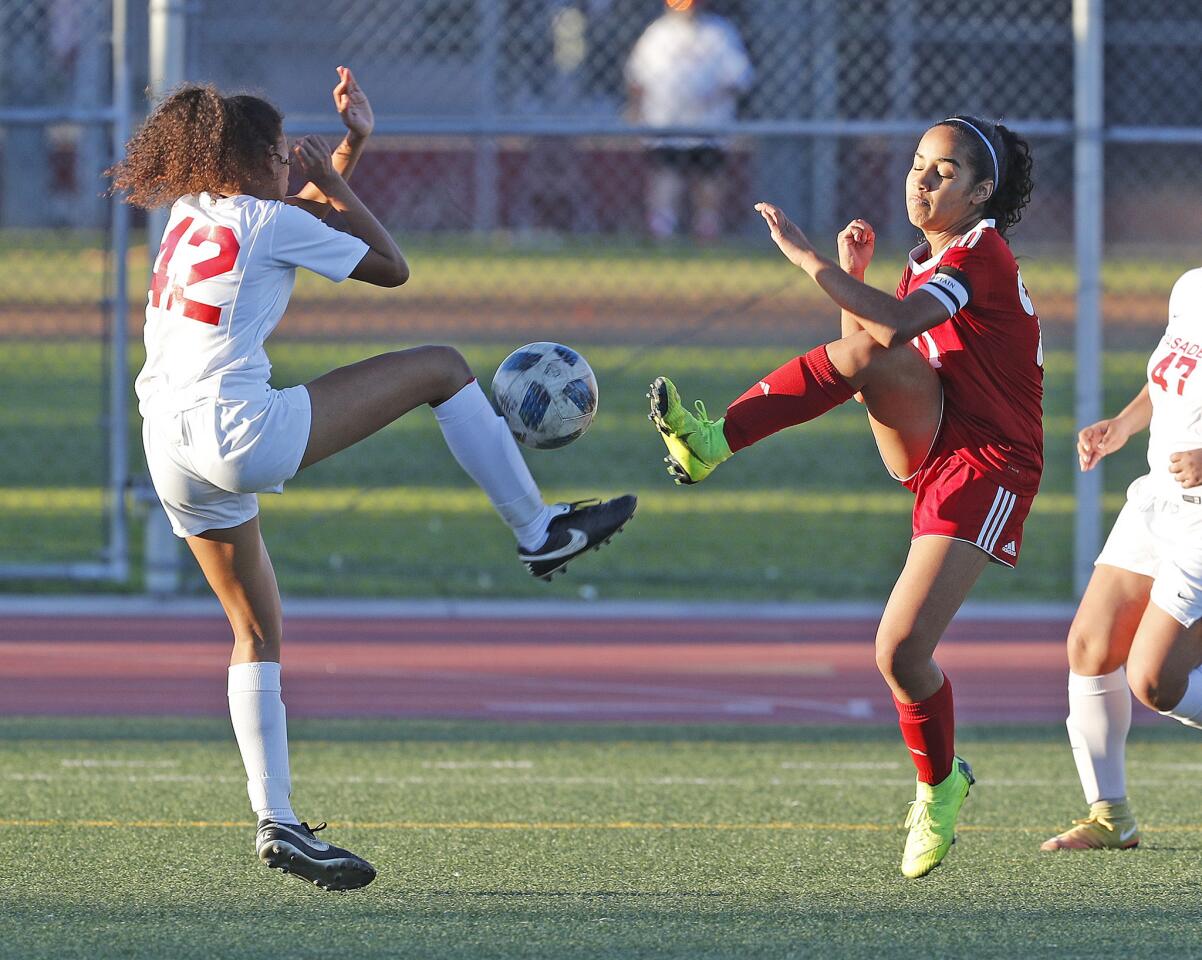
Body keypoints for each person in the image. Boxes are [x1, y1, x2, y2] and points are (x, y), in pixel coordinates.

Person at [107, 67, 636, 891]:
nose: (292, 164)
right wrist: (330, 172)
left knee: (256, 632)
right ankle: (539, 530)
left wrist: (351, 149)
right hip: (238, 431)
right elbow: (390, 266)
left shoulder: (195, 209)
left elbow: (294, 219)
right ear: (249, 163)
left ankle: (278, 821)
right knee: (441, 367)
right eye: (280, 156)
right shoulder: (268, 213)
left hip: (166, 442)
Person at [648, 116, 1039, 878]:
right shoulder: (929, 260)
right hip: (936, 435)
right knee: (862, 349)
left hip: (990, 463)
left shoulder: (980, 254)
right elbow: (868, 353)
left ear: (982, 192)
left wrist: (807, 259)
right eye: (919, 164)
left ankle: (940, 787)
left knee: (900, 653)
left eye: (944, 171)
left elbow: (894, 324)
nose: (922, 180)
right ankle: (710, 440)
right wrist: (853, 277)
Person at [1041, 269, 1202, 852]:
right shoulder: (1189, 287)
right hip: (1158, 496)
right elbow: (1167, 384)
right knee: (1090, 646)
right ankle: (1112, 818)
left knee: (1156, 681)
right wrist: (1123, 425)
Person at [624, 0, 753, 242]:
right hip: (665, 120)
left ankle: (707, 228)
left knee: (708, 175)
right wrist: (636, 111)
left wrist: (709, 98)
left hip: (709, 121)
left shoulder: (719, 32)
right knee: (665, 173)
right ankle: (662, 228)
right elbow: (637, 76)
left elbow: (737, 78)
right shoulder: (657, 34)